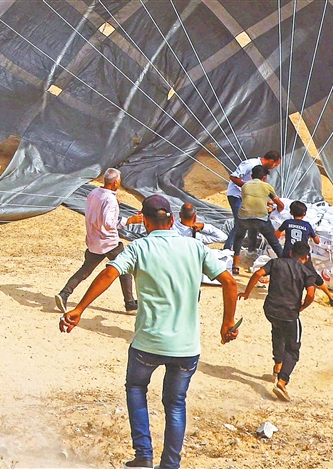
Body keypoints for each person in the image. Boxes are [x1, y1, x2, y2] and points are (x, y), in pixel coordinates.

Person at [59, 195, 239, 469]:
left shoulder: (139, 248)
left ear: (144, 221)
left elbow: (108, 274)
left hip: (148, 342)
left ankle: (143, 455)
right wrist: (227, 323)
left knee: (136, 388)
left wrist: (80, 309)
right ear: (173, 220)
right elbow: (230, 283)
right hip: (186, 346)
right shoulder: (195, 247)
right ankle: (170, 464)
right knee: (175, 404)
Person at [55, 168, 142, 314]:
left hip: (94, 240)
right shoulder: (110, 200)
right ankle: (129, 303)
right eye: (119, 180)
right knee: (125, 268)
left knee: (85, 270)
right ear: (115, 182)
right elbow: (108, 223)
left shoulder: (94, 193)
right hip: (109, 242)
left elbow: (97, 211)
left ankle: (64, 294)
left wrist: (114, 204)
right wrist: (129, 220)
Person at [238, 241, 316, 402]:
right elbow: (310, 294)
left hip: (270, 310)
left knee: (278, 330)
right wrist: (302, 307)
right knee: (293, 349)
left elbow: (258, 274)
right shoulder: (307, 272)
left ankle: (278, 365)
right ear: (306, 257)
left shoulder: (276, 263)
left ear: (291, 253)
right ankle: (282, 381)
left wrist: (247, 292)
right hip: (289, 314)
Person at [275, 201, 333, 306]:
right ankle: (330, 297)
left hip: (288, 255)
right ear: (304, 213)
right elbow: (317, 241)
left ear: (291, 212)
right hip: (302, 256)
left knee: (285, 275)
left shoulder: (287, 223)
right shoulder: (307, 225)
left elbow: (276, 234)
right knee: (313, 276)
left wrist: (286, 234)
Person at [231, 165, 284, 274]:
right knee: (273, 241)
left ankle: (235, 265)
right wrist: (276, 209)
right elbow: (280, 205)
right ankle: (285, 264)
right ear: (264, 177)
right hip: (260, 218)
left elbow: (251, 199)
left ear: (251, 176)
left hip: (244, 217)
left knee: (239, 237)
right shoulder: (267, 186)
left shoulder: (245, 186)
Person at [223, 150, 281, 250]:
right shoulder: (250, 164)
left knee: (253, 223)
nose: (274, 167)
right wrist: (247, 187)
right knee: (240, 223)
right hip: (237, 195)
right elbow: (233, 177)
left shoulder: (261, 170)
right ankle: (228, 248)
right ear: (271, 161)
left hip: (247, 197)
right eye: (275, 165)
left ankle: (251, 249)